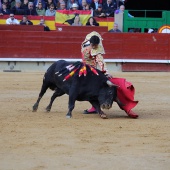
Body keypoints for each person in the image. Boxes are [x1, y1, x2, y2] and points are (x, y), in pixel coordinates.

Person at [81, 31, 139, 118]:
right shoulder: (90, 46)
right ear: (92, 43)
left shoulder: (91, 46)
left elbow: (98, 60)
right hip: (88, 69)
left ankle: (95, 107)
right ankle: (95, 107)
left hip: (89, 69)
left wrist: (104, 72)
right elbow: (94, 60)